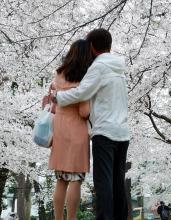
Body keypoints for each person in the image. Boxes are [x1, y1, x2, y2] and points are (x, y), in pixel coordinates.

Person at [50, 28, 129, 220]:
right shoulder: (119, 69)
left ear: (93, 46)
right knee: (117, 183)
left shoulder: (92, 69)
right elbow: (85, 107)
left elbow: (81, 94)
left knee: (101, 183)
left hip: (99, 131)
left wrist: (58, 98)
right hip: (121, 132)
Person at [47, 39, 93, 220]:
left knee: (61, 179)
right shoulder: (83, 79)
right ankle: (71, 218)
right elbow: (84, 111)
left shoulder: (58, 75)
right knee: (75, 179)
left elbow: (52, 101)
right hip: (77, 132)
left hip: (59, 130)